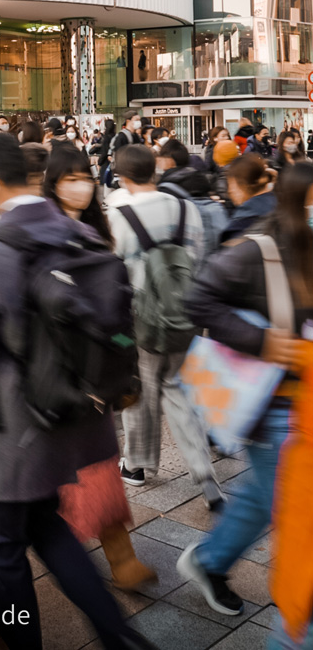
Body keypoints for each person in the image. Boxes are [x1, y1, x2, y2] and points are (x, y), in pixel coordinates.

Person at [0, 135, 155, 650]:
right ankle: (119, 635)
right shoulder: (78, 233)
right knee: (48, 528)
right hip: (75, 422)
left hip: (10, 435)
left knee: (3, 549)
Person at [179, 162, 312, 617]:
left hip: (303, 401)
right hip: (270, 402)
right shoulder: (260, 249)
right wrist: (262, 341)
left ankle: (209, 560)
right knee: (289, 503)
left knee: (266, 494)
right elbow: (197, 299)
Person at [43, 143, 156, 589]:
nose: (81, 186)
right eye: (71, 178)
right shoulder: (41, 234)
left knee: (98, 466)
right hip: (59, 373)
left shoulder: (98, 231)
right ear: (53, 184)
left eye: (85, 176)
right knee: (67, 473)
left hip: (96, 374)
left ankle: (119, 559)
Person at [107, 145, 222, 508]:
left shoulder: (119, 215)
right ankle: (205, 474)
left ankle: (138, 465)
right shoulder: (185, 207)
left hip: (141, 319)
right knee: (177, 387)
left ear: (122, 176)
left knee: (140, 385)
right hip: (184, 315)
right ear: (156, 170)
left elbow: (114, 272)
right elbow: (197, 259)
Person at [156, 139, 229, 262]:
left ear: (169, 160)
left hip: (186, 255)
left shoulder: (166, 188)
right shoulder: (200, 178)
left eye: (161, 156)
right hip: (212, 253)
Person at [219, 153, 277, 243]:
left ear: (242, 185)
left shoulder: (240, 225)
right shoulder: (283, 207)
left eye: (230, 185)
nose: (229, 191)